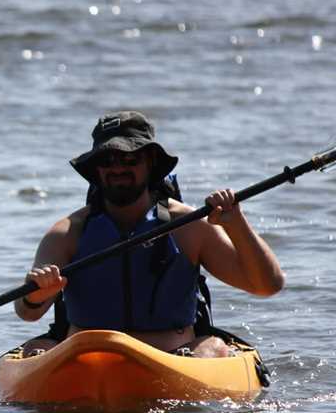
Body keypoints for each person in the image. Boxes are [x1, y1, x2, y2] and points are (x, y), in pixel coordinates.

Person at [14, 111, 284, 358]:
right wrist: (36, 295)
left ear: (151, 162)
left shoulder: (189, 226)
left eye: (130, 158)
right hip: (88, 359)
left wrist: (236, 224)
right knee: (35, 350)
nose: (118, 168)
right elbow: (27, 312)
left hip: (175, 357)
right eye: (107, 160)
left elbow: (267, 285)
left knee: (213, 348)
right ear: (96, 169)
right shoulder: (67, 233)